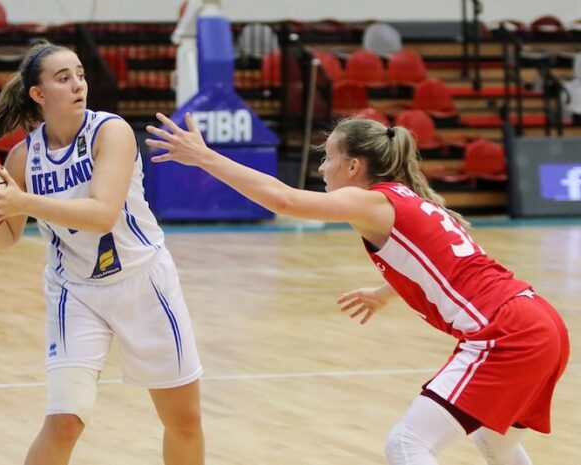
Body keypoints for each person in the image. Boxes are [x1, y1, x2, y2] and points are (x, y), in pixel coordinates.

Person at [144, 113, 569, 465]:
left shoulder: (374, 201)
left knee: (406, 444)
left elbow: (285, 201)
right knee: (494, 442)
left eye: (328, 158)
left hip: (506, 333)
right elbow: (448, 264)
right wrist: (386, 291)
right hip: (541, 321)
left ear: (353, 167)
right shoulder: (408, 199)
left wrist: (204, 157)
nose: (321, 168)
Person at [0, 42, 205, 465]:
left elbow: (102, 214)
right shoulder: (23, 157)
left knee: (184, 421)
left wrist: (23, 202)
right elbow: (6, 239)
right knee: (64, 421)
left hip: (143, 282)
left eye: (80, 75)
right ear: (39, 94)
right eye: (63, 78)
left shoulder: (110, 132)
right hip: (75, 291)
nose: (78, 84)